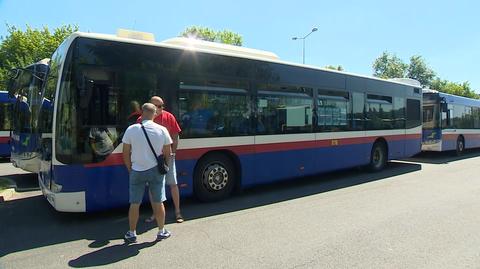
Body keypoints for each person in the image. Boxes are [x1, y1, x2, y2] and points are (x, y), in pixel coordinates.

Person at [122, 103, 173, 243]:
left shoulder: (131, 129)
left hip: (137, 170)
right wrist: (165, 166)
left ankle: (132, 233)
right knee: (158, 201)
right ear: (155, 113)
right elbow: (168, 152)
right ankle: (161, 231)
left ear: (142, 113)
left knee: (134, 203)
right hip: (156, 170)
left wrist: (129, 169)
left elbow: (125, 153)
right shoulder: (162, 130)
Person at [138, 96, 184, 223]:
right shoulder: (141, 120)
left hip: (167, 157)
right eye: (157, 106)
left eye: (162, 105)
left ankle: (178, 212)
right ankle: (155, 214)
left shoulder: (169, 117)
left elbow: (175, 136)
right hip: (151, 159)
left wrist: (173, 153)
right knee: (154, 187)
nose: (160, 108)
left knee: (173, 184)